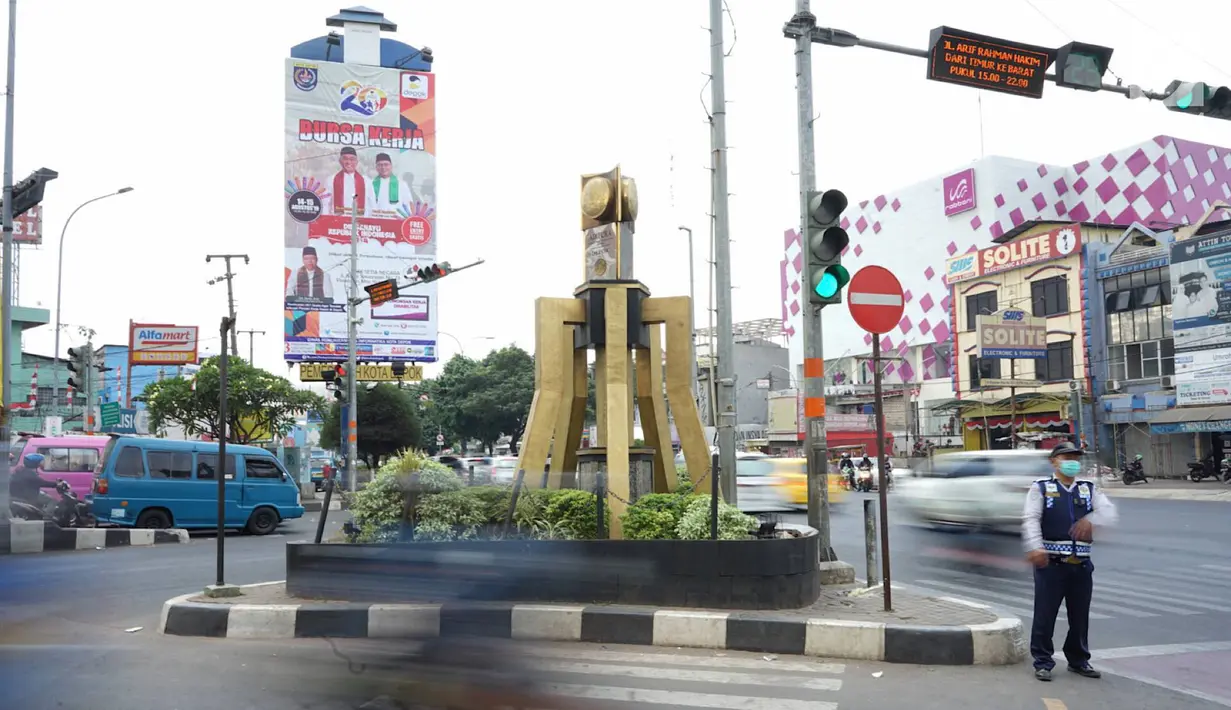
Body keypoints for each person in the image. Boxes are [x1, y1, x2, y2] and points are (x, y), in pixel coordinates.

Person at [1023, 441, 1117, 681]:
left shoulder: (1088, 488)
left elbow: (1109, 512)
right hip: (1051, 562)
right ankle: (1043, 661)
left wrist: (1091, 519)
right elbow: (1031, 519)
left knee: (1080, 615)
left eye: (1075, 457)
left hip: (1081, 564)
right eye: (1066, 458)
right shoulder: (1041, 487)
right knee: (1045, 614)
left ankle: (1078, 659)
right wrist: (1036, 547)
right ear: (1053, 462)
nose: (1072, 462)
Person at [327, 146, 371, 216]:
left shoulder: (366, 181)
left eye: (352, 159)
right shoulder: (331, 179)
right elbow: (326, 204)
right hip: (337, 222)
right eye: (345, 159)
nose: (348, 162)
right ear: (340, 161)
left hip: (360, 222)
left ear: (356, 162)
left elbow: (371, 205)